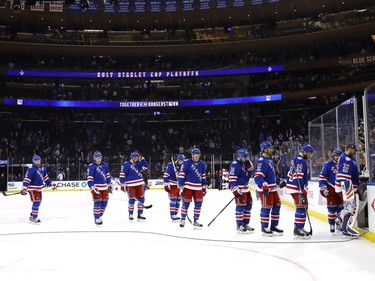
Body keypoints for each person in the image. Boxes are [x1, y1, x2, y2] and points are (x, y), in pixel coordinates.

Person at [254, 141, 284, 236]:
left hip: (273, 188)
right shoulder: (261, 161)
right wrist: (263, 185)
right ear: (264, 149)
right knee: (266, 207)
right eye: (270, 148)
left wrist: (278, 181)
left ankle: (273, 226)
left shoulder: (270, 161)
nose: (271, 149)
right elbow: (258, 176)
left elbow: (273, 175)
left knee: (277, 205)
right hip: (266, 190)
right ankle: (264, 227)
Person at [286, 144, 314, 239]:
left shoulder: (296, 158)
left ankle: (299, 227)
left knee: (302, 206)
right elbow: (298, 176)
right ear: (305, 151)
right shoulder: (301, 161)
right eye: (309, 153)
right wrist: (302, 189)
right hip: (296, 187)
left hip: (294, 186)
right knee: (301, 206)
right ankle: (298, 228)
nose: (309, 155)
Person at [21, 155, 56, 224]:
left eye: (39, 160)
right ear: (34, 161)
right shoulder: (31, 169)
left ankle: (32, 215)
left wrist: (51, 183)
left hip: (39, 189)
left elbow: (45, 178)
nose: (38, 162)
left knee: (38, 202)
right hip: (32, 189)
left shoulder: (43, 167)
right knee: (36, 202)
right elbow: (27, 179)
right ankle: (34, 218)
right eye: (37, 161)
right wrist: (24, 188)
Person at [178, 148, 207, 228]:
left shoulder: (202, 164)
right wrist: (181, 185)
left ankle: (196, 219)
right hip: (188, 187)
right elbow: (182, 174)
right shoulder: (186, 163)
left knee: (198, 204)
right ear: (192, 155)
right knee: (186, 204)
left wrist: (204, 186)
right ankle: (183, 219)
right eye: (195, 155)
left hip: (198, 187)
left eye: (198, 155)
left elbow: (203, 175)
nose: (197, 156)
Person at [334, 144, 360, 237]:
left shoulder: (348, 158)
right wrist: (352, 188)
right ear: (349, 149)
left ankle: (339, 218)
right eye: (353, 150)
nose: (354, 152)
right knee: (350, 206)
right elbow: (343, 176)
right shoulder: (346, 159)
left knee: (348, 206)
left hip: (345, 184)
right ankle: (345, 228)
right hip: (345, 185)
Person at [228, 148, 254, 233]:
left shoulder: (245, 162)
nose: (245, 158)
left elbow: (250, 172)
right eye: (244, 157)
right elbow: (232, 178)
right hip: (239, 189)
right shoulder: (234, 164)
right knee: (240, 206)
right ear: (239, 156)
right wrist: (235, 188)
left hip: (246, 188)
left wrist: (250, 168)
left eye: (246, 157)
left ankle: (246, 224)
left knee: (248, 206)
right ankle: (239, 225)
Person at [319, 148, 343, 233]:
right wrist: (323, 187)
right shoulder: (328, 164)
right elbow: (322, 177)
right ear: (333, 156)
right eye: (336, 155)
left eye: (339, 155)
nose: (338, 157)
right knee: (332, 208)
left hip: (341, 188)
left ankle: (339, 224)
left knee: (341, 208)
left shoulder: (343, 164)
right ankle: (331, 224)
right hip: (331, 188)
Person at [119, 151, 149, 221]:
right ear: (133, 158)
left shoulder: (139, 163)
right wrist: (122, 184)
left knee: (141, 199)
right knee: (132, 200)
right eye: (137, 157)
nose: (138, 158)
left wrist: (143, 160)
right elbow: (122, 174)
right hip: (130, 185)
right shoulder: (126, 164)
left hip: (139, 184)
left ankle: (140, 214)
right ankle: (131, 214)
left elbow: (146, 167)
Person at [87, 151, 112, 225]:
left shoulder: (104, 165)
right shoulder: (91, 166)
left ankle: (99, 216)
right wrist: (92, 186)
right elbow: (89, 179)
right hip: (96, 188)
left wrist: (109, 184)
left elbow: (107, 175)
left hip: (104, 188)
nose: (99, 159)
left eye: (100, 157)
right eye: (97, 157)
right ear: (94, 158)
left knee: (105, 203)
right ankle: (97, 218)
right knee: (97, 203)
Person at [163, 154, 185, 221]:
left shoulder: (183, 166)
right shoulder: (171, 165)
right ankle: (172, 214)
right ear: (177, 160)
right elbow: (166, 175)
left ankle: (175, 214)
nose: (182, 162)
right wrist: (166, 185)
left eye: (182, 161)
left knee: (178, 200)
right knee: (173, 199)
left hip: (179, 186)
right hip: (172, 185)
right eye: (181, 161)